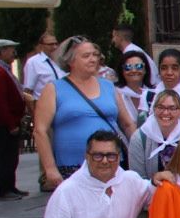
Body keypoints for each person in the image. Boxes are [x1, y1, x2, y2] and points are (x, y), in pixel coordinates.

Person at [34, 36, 136, 191]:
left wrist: (138, 153)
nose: (93, 59)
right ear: (70, 61)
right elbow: (40, 130)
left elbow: (127, 124)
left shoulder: (108, 87)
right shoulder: (54, 89)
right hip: (72, 166)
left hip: (110, 162)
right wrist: (49, 168)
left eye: (95, 55)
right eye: (86, 56)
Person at [0, 39, 27, 201]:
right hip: (4, 123)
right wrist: (11, 124)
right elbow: (0, 101)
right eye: (11, 50)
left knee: (11, 156)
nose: (13, 53)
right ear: (1, 51)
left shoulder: (3, 69)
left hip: (10, 121)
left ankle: (10, 186)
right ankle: (3, 189)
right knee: (6, 156)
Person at [128, 89, 180, 178]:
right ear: (154, 109)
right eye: (161, 107)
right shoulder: (140, 138)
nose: (166, 112)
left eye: (172, 108)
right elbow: (137, 179)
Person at [21, 32, 61, 108]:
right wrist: (34, 114)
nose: (55, 47)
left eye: (56, 44)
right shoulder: (33, 62)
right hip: (44, 106)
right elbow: (28, 92)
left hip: (61, 105)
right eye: (51, 44)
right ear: (41, 46)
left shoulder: (59, 62)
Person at [116, 52, 156, 117]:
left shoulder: (154, 93)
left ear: (145, 70)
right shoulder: (115, 93)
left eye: (139, 66)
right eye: (128, 67)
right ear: (122, 71)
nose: (134, 70)